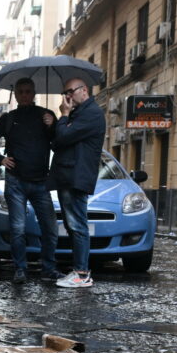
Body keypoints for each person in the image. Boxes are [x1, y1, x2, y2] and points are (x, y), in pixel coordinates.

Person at [0, 78, 59, 284]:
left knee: (50, 228)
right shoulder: (8, 118)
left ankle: (49, 268)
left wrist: (53, 126)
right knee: (17, 229)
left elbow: (59, 142)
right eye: (21, 92)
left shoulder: (46, 115)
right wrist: (0, 159)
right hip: (15, 182)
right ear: (16, 95)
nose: (25, 95)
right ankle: (20, 269)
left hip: (41, 182)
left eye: (28, 91)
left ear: (34, 93)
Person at [47, 77, 105, 288]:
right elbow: (57, 143)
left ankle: (81, 273)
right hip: (68, 176)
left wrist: (62, 116)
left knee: (77, 225)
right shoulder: (78, 114)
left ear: (85, 90)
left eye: (71, 91)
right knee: (74, 226)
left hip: (75, 177)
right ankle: (79, 271)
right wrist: (61, 121)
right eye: (65, 93)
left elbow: (63, 138)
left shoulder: (91, 114)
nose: (68, 96)